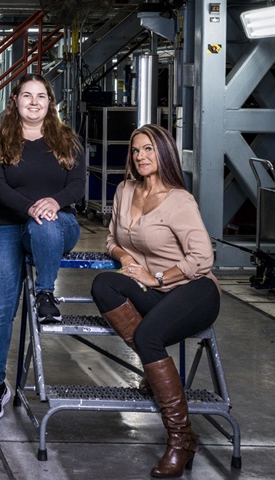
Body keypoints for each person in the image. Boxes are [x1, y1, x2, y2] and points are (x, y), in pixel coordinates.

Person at [92, 124, 219, 478]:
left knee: (149, 337)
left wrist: (158, 277)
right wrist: (126, 258)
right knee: (104, 285)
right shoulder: (125, 190)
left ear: (163, 154)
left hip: (193, 290)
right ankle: (156, 366)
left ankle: (181, 439)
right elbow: (111, 240)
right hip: (154, 292)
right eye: (135, 150)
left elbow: (202, 258)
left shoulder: (179, 199)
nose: (140, 157)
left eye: (148, 149)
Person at [0, 73, 84, 419]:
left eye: (41, 96)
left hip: (59, 225)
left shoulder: (67, 140)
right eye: (27, 95)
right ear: (16, 102)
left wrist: (51, 203)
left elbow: (78, 186)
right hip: (8, 227)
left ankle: (45, 293)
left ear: (50, 103)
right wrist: (31, 207)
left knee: (47, 224)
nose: (34, 102)